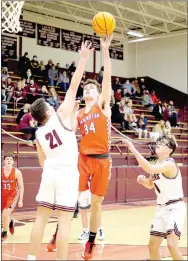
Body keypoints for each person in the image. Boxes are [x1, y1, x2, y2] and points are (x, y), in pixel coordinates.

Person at [27, 40, 94, 261]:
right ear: (47, 109)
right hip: (67, 173)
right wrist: (83, 58)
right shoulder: (60, 114)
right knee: (64, 222)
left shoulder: (38, 133)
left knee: (41, 219)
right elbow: (74, 85)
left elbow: (42, 161)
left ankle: (30, 258)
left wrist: (72, 116)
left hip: (49, 173)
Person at [47, 36, 113, 260]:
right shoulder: (79, 114)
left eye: (92, 88)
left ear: (98, 94)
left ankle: (91, 241)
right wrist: (82, 60)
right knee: (69, 196)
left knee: (96, 203)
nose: (89, 90)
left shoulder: (103, 106)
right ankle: (58, 232)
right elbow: (67, 130)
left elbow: (107, 81)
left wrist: (104, 50)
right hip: (83, 159)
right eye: (87, 88)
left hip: (102, 160)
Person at [122, 136, 186, 260]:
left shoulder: (170, 164)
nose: (158, 144)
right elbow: (150, 184)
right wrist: (143, 181)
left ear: (169, 150)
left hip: (175, 208)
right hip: (161, 209)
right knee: (152, 245)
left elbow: (150, 168)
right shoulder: (157, 164)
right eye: (158, 142)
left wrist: (132, 148)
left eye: (163, 143)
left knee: (172, 245)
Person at [2, 152, 24, 241]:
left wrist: (20, 200)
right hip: (2, 195)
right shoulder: (1, 171)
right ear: (4, 161)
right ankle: (11, 222)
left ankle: (4, 232)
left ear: (13, 162)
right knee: (4, 215)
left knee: (5, 213)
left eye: (11, 159)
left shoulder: (17, 172)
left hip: (12, 196)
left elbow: (21, 186)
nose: (9, 161)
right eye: (7, 159)